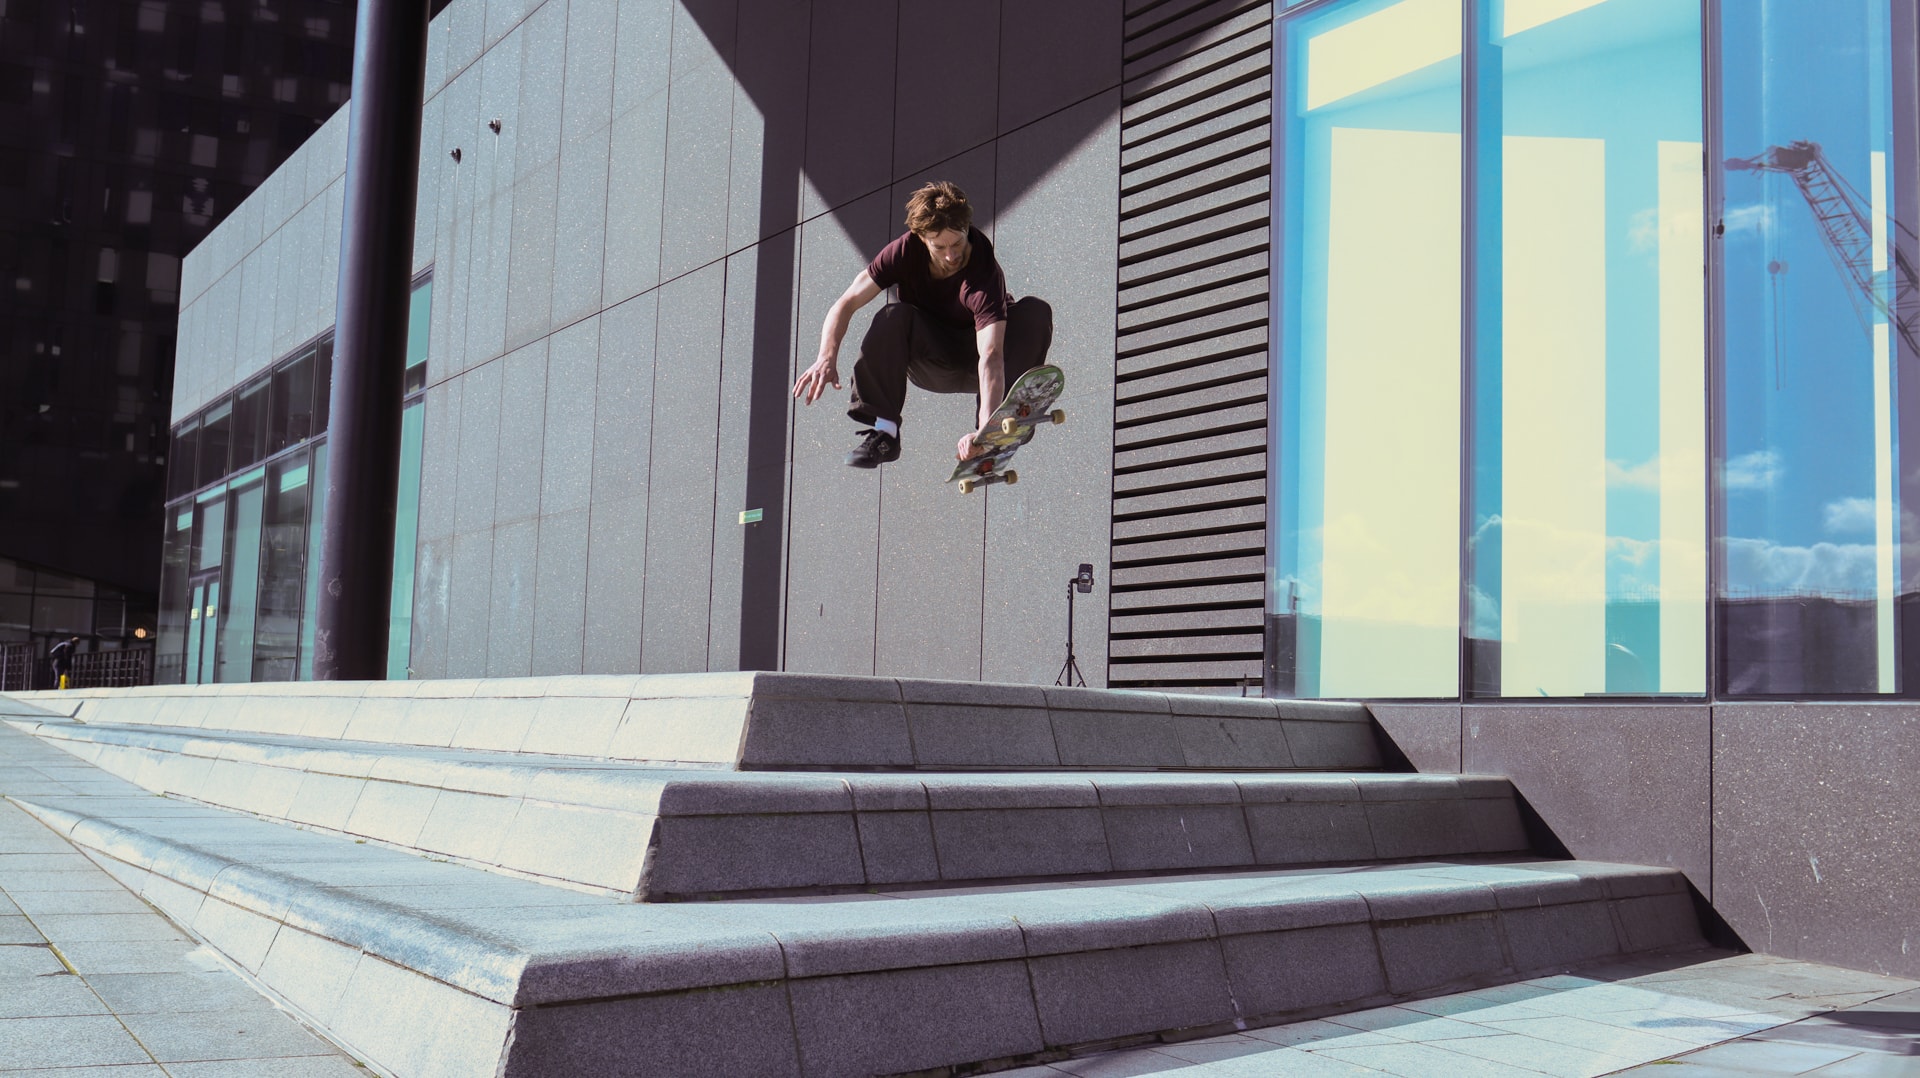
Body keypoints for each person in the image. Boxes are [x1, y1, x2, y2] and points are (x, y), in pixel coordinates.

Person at [793, 180, 1053, 467]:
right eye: (939, 247)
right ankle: (885, 434)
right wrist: (826, 357)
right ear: (921, 238)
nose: (951, 255)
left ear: (966, 229)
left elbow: (991, 355)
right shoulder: (903, 253)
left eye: (957, 243)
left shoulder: (983, 274)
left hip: (981, 363)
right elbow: (847, 302)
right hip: (933, 361)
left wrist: (984, 430)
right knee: (892, 316)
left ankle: (1005, 419)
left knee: (1034, 312)